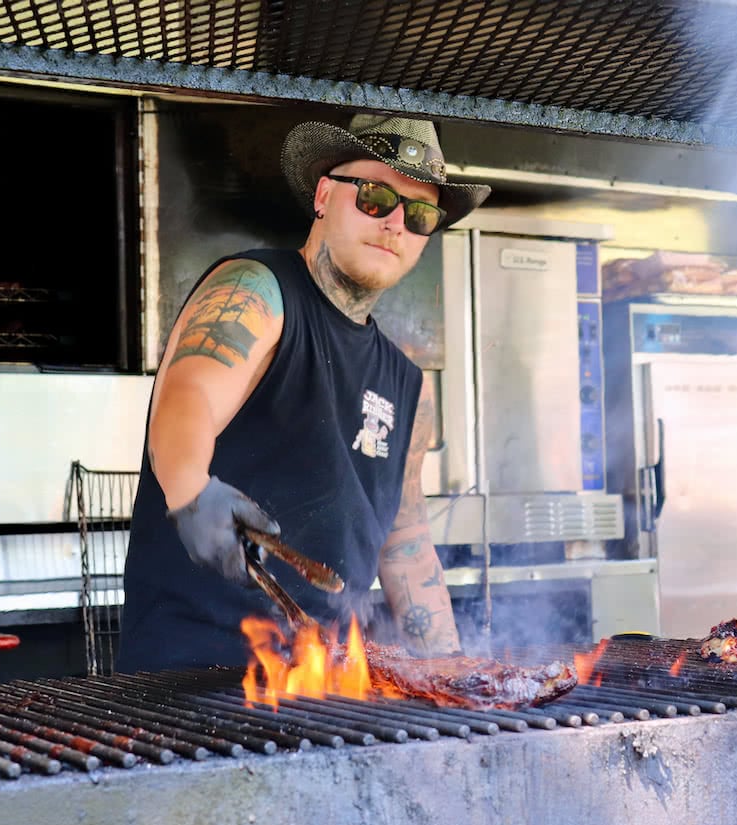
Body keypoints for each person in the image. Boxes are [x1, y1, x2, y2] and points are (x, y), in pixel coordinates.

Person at [118, 114, 491, 672]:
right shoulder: (255, 290)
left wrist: (453, 669)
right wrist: (191, 489)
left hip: (325, 687)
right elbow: (189, 395)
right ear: (323, 194)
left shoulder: (409, 386)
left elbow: (405, 543)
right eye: (375, 197)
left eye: (419, 214)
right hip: (190, 681)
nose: (395, 223)